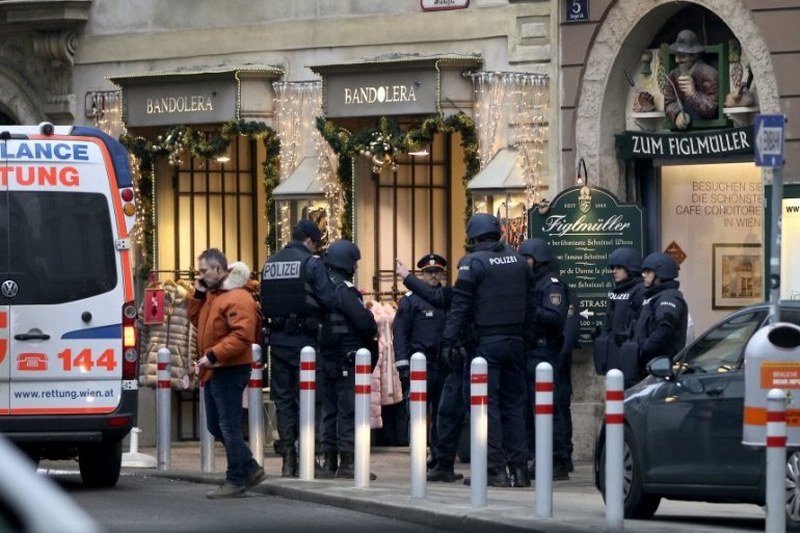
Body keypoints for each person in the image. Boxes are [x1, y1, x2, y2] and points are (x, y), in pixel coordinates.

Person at [439, 213, 531, 488]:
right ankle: (520, 469)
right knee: (514, 406)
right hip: (515, 343)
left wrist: (448, 341)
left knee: (485, 406)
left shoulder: (473, 263)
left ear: (473, 237)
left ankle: (494, 470)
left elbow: (460, 307)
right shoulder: (518, 261)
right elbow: (531, 304)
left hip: (486, 347)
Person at [260, 219, 336, 477]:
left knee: (283, 401)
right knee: (308, 398)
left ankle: (288, 460)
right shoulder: (312, 263)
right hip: (305, 340)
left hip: (277, 341)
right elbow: (328, 298)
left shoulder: (270, 263)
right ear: (310, 241)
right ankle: (307, 457)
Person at [189, 248, 266, 499]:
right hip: (216, 368)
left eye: (204, 271)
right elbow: (195, 320)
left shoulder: (237, 297)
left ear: (219, 269)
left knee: (228, 426)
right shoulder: (213, 295)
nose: (199, 276)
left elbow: (242, 335)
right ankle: (250, 468)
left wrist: (213, 355)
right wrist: (198, 295)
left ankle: (236, 479)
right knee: (216, 424)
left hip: (229, 368)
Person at [318, 239, 378, 479]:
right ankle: (348, 463)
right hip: (348, 360)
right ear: (348, 264)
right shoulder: (344, 290)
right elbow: (365, 323)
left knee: (330, 410)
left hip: (329, 359)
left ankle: (329, 460)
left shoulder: (323, 288)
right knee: (348, 411)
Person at [394, 254, 451, 473]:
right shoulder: (410, 300)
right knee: (417, 414)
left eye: (437, 271)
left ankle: (438, 456)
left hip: (443, 365)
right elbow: (400, 333)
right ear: (421, 274)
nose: (434, 275)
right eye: (429, 272)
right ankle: (418, 455)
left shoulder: (446, 298)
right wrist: (403, 366)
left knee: (442, 414)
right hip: (420, 366)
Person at [519, 238, 570, 481]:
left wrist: (529, 310)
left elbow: (555, 317)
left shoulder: (552, 284)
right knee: (530, 409)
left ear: (538, 259)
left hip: (545, 352)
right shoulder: (530, 283)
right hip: (530, 352)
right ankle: (537, 456)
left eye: (526, 258)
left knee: (550, 408)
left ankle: (557, 460)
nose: (524, 263)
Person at [625, 252, 689, 384]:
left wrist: (642, 350)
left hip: (658, 369)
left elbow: (664, 329)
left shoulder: (669, 298)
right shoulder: (653, 297)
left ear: (661, 274)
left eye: (648, 271)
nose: (643, 275)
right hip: (648, 368)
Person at [593, 247, 645, 389]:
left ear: (631, 268)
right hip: (612, 358)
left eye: (619, 267)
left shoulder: (640, 292)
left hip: (629, 361)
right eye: (613, 267)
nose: (614, 271)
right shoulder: (614, 292)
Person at [663, 29, 719, 130]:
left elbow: (711, 108)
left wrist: (692, 94)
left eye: (682, 56)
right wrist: (677, 115)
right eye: (676, 55)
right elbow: (669, 102)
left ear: (694, 55)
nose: (677, 60)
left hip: (707, 131)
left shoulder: (709, 74)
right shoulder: (673, 75)